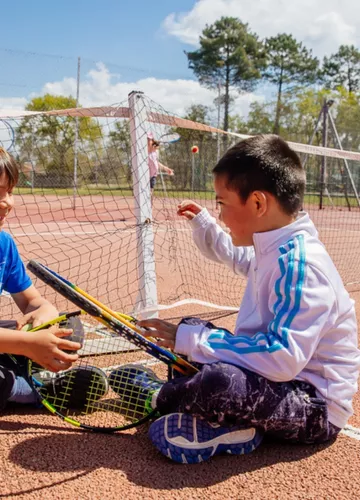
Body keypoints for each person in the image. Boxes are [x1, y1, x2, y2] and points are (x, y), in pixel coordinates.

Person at [109, 135, 360, 464]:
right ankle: (230, 423)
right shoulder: (273, 246)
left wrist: (195, 341)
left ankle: (158, 397)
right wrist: (206, 225)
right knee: (192, 328)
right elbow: (239, 259)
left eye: (223, 203)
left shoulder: (300, 266)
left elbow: (282, 358)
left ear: (258, 203)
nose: (221, 214)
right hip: (277, 380)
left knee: (218, 379)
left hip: (312, 405)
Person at [0, 147, 107, 411]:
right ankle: (31, 391)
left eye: (10, 191)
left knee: (69, 328)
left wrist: (43, 315)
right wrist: (27, 343)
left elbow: (32, 302)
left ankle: (19, 377)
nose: (8, 203)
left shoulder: (4, 245)